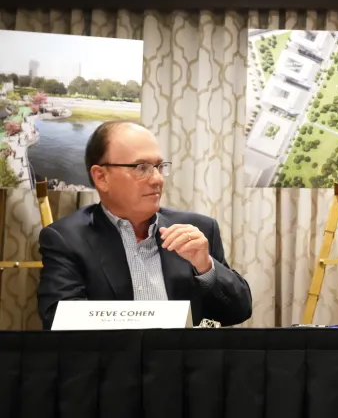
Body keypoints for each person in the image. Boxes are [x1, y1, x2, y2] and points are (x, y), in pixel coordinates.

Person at [37, 121, 252, 329]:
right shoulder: (66, 239)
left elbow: (238, 312)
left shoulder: (198, 230)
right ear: (101, 177)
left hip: (186, 366)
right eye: (142, 168)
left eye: (159, 166)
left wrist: (206, 267)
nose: (157, 179)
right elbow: (60, 321)